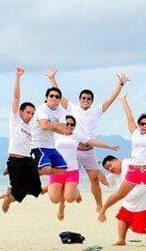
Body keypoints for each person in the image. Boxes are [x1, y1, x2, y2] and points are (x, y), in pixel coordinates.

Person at [44, 69, 129, 210]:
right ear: (80, 100)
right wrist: (52, 79)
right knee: (65, 179)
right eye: (83, 98)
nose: (86, 100)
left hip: (89, 151)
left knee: (94, 179)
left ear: (92, 101)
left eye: (89, 99)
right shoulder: (73, 108)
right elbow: (59, 96)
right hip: (75, 151)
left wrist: (120, 84)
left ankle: (99, 204)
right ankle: (64, 202)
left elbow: (110, 100)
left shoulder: (96, 111)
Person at [97, 89, 146, 223]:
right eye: (142, 123)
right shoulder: (134, 132)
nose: (144, 126)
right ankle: (103, 210)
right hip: (135, 170)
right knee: (120, 194)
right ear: (138, 124)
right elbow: (129, 115)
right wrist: (124, 101)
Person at [49, 115, 118, 220]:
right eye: (67, 124)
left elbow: (92, 141)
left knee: (70, 198)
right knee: (54, 199)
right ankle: (60, 200)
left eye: (72, 124)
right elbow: (43, 128)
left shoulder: (76, 135)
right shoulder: (56, 134)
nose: (69, 126)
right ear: (62, 124)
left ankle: (75, 193)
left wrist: (109, 146)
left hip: (72, 171)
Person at [101, 155, 146, 246]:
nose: (110, 169)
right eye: (107, 169)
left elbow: (144, 167)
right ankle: (121, 240)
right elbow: (104, 181)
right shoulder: (114, 175)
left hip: (144, 198)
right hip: (130, 203)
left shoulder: (129, 163)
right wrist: (95, 171)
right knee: (123, 217)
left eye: (110, 165)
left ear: (116, 160)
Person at [2, 68, 42, 213]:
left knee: (36, 190)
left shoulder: (29, 128)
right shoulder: (15, 120)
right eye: (28, 112)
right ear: (20, 111)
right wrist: (18, 77)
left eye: (32, 114)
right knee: (20, 191)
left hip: (27, 161)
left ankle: (10, 194)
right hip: (15, 161)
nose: (30, 116)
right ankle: (9, 197)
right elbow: (16, 96)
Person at [33, 74, 70, 176]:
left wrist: (52, 124)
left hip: (50, 146)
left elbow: (64, 130)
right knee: (46, 168)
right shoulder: (42, 108)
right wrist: (56, 124)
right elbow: (44, 126)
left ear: (59, 100)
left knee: (62, 169)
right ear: (47, 97)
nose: (54, 98)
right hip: (37, 145)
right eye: (51, 96)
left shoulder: (61, 111)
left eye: (57, 97)